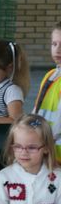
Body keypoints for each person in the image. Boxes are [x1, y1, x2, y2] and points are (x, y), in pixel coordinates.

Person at [33, 22, 61, 162]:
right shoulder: (50, 75)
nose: (58, 49)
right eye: (54, 44)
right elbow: (37, 110)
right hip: (47, 152)